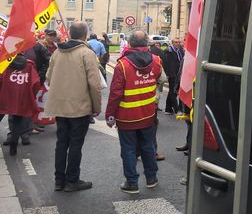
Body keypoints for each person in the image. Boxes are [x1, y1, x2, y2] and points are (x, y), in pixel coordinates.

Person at [45, 22, 103, 192]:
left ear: (70, 33)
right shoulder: (87, 53)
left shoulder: (56, 52)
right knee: (76, 144)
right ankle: (72, 180)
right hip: (80, 106)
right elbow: (94, 84)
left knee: (61, 142)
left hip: (60, 106)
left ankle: (59, 180)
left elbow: (49, 77)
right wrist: (96, 106)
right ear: (85, 35)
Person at [105, 31, 164, 194]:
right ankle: (152, 178)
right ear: (147, 44)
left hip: (127, 116)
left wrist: (110, 115)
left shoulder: (123, 65)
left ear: (130, 44)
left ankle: (132, 183)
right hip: (148, 114)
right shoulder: (157, 61)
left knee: (129, 150)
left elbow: (115, 94)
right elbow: (159, 80)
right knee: (148, 146)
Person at [0, 54, 40, 156]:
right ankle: (13, 145)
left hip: (6, 93)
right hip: (22, 95)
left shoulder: (5, 63)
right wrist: (32, 94)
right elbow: (36, 82)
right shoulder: (29, 65)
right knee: (18, 120)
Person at [163, 38, 184, 115]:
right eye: (176, 42)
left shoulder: (180, 51)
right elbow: (166, 63)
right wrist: (167, 74)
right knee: (173, 91)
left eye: (179, 42)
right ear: (172, 43)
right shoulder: (168, 51)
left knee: (173, 92)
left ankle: (168, 109)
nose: (178, 43)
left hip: (179, 74)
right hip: (172, 74)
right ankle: (177, 109)